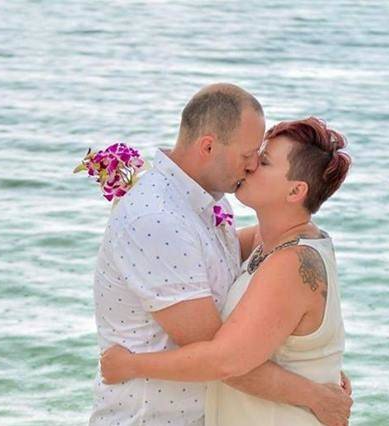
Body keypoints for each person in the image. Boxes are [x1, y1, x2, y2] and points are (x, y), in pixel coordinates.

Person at [89, 83, 352, 426]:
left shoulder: (210, 207)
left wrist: (317, 374)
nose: (253, 164)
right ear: (209, 146)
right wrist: (315, 390)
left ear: (295, 190)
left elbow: (226, 354)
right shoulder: (161, 218)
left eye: (263, 159)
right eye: (250, 155)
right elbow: (221, 354)